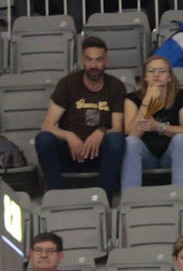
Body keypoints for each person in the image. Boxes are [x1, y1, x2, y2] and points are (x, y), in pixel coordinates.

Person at [36, 37, 126, 194]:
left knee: (116, 140)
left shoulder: (116, 86)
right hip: (70, 152)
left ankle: (104, 196)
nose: (93, 65)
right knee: (43, 139)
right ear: (82, 60)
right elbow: (47, 126)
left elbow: (118, 128)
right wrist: (69, 136)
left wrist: (101, 131)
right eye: (89, 60)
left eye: (98, 60)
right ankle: (54, 196)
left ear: (106, 61)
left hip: (99, 153)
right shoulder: (68, 84)